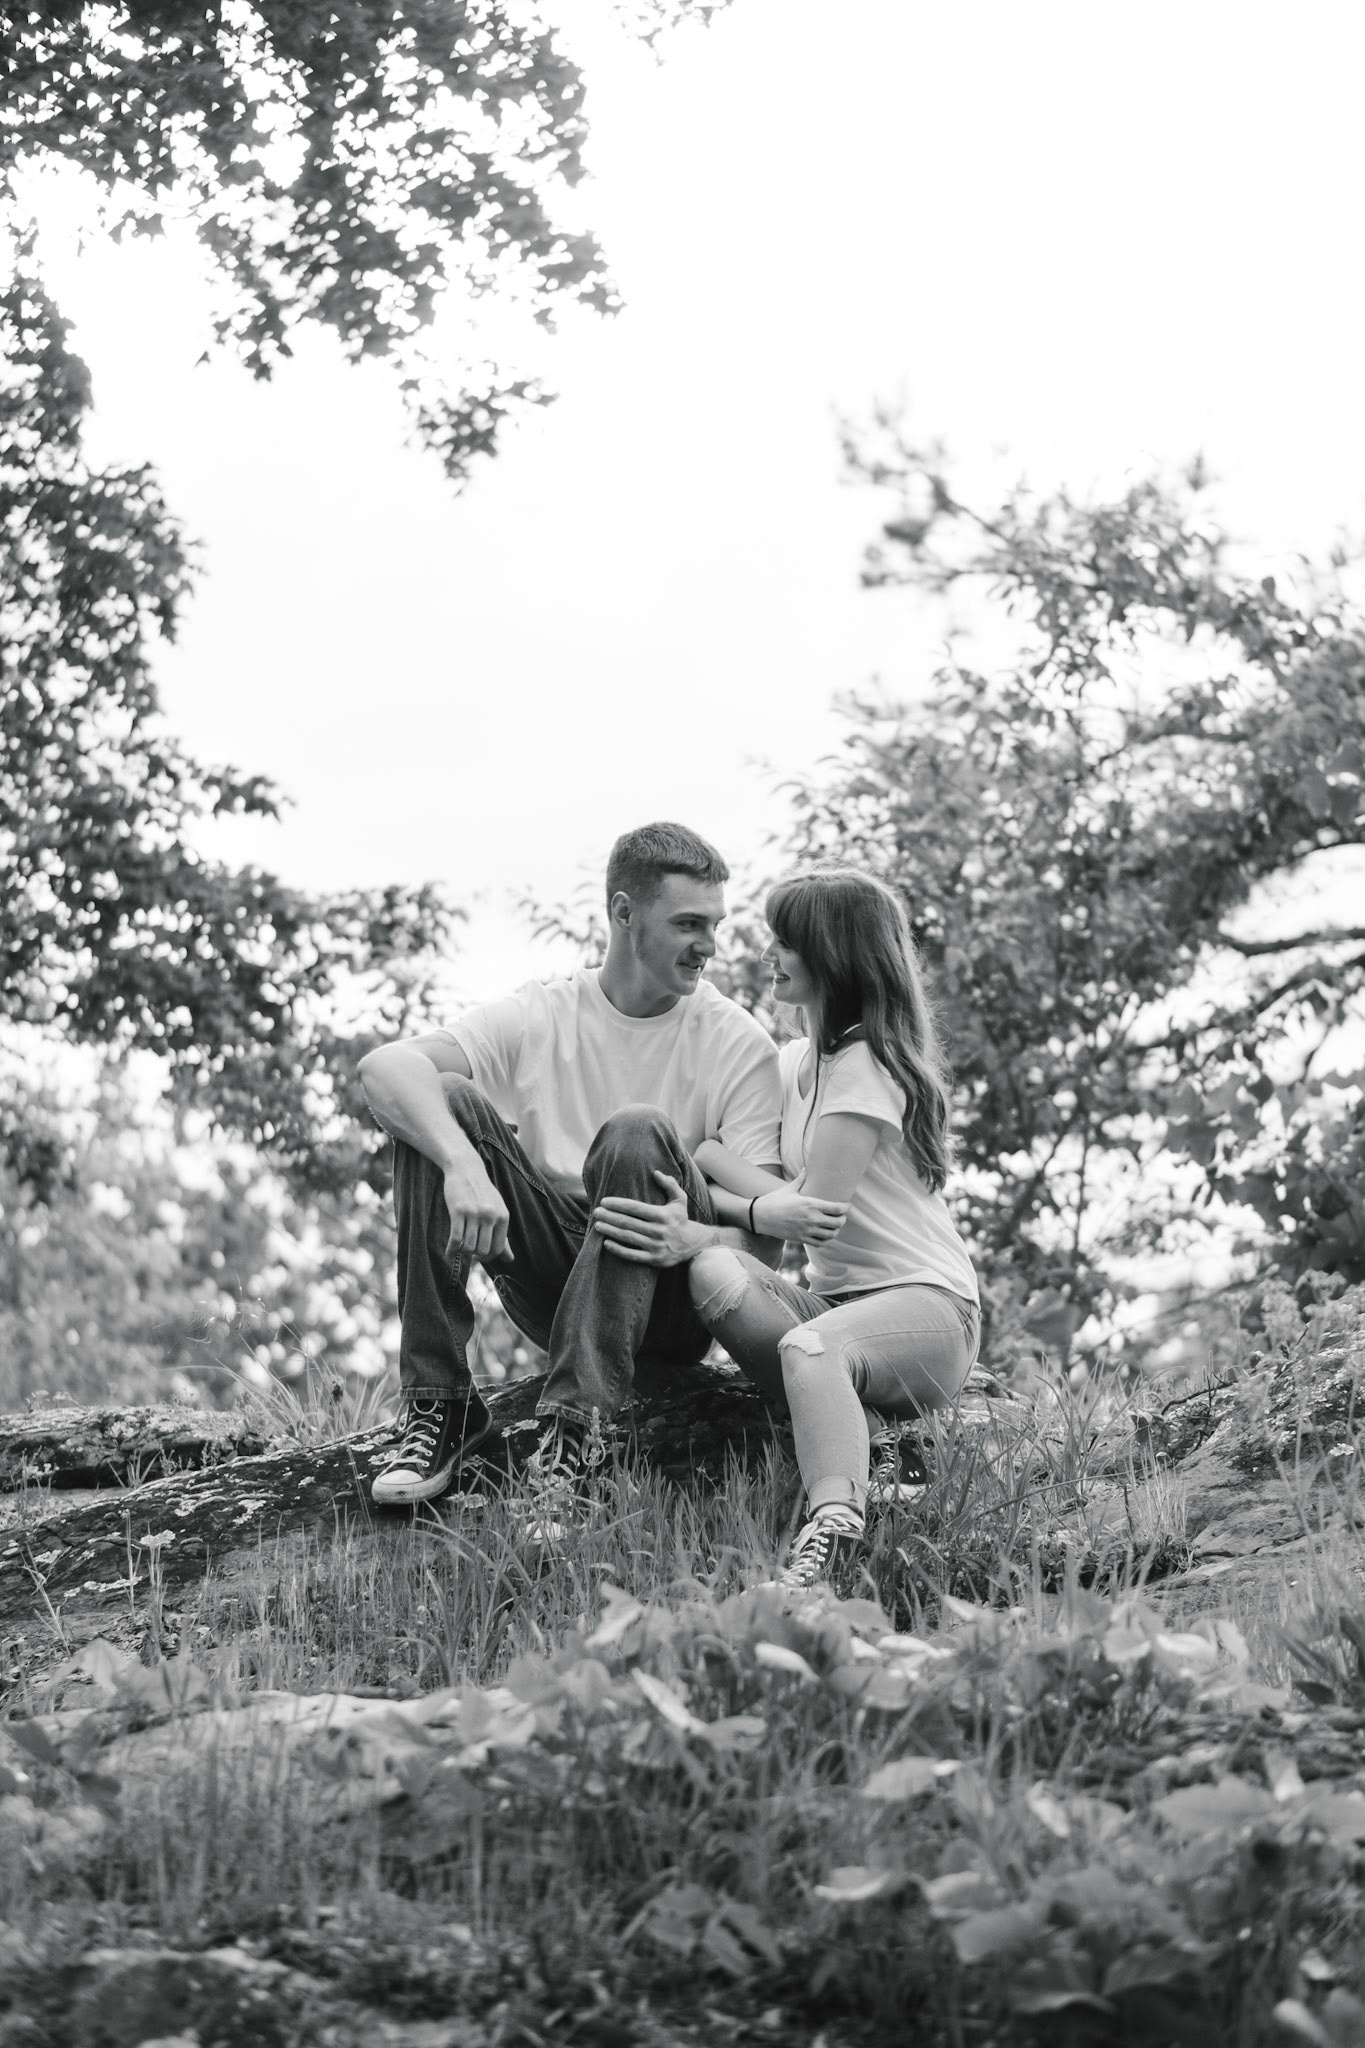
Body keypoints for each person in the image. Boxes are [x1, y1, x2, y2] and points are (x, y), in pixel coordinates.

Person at [357, 822, 789, 1508]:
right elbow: (385, 1068)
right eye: (687, 924)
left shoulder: (737, 1043)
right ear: (623, 912)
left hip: (674, 1296)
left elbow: (765, 1250)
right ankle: (443, 1406)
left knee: (637, 1130)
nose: (708, 945)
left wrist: (693, 1238)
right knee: (438, 1100)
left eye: (714, 924)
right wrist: (462, 1165)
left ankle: (576, 1437)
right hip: (557, 1281)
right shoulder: (545, 1013)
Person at [592, 867, 979, 1589]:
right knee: (715, 1272)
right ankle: (874, 1434)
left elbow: (813, 1215)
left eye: (785, 942)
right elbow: (755, 1182)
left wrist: (722, 1191)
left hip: (928, 1307)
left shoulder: (866, 1065)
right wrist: (719, 1173)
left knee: (807, 1344)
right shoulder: (796, 1060)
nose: (767, 953)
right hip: (837, 1308)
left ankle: (831, 1533)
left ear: (833, 954)